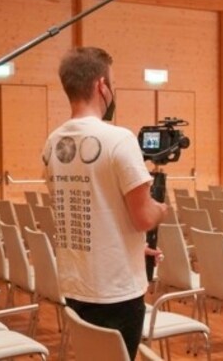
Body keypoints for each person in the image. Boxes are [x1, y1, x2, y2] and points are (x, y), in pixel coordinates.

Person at [42, 46, 167, 360]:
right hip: (117, 291)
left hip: (75, 283)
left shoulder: (53, 142)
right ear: (101, 85)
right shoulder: (119, 139)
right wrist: (162, 209)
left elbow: (94, 211)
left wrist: (131, 247)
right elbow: (143, 218)